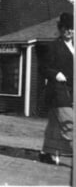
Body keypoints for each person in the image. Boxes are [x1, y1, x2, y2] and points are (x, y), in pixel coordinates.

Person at [38, 12, 73, 165]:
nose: (69, 31)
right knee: (70, 121)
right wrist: (56, 73)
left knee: (54, 124)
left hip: (71, 90)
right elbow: (43, 68)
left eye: (72, 28)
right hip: (57, 90)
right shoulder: (53, 46)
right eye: (65, 28)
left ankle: (47, 152)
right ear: (60, 29)